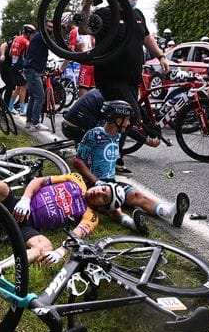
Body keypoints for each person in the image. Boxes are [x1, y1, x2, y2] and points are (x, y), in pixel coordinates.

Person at [81, 0, 169, 175]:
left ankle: (110, 156)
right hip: (110, 77)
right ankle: (108, 157)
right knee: (128, 115)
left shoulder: (137, 15)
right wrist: (87, 3)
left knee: (119, 118)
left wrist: (161, 56)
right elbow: (84, 28)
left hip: (131, 78)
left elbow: (146, 38)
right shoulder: (105, 14)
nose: (133, 0)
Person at [0, 173, 123, 267]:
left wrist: (60, 252)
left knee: (45, 246)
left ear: (103, 207)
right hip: (18, 205)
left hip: (28, 226)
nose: (98, 192)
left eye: (103, 198)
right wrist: (26, 199)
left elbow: (76, 236)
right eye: (103, 189)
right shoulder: (75, 179)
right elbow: (39, 181)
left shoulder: (91, 216)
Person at [72, 100, 187, 234]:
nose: (128, 123)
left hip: (111, 182)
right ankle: (130, 222)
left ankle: (169, 213)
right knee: (113, 203)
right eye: (126, 120)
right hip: (93, 183)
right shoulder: (94, 134)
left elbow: (133, 132)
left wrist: (149, 140)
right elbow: (77, 161)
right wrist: (95, 181)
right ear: (117, 119)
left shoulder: (118, 134)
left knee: (136, 195)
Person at [62, 88, 160, 148]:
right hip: (77, 130)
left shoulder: (105, 90)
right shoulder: (111, 101)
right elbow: (122, 125)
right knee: (113, 129)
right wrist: (148, 141)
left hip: (69, 126)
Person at [23, 19, 53, 132]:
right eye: (49, 27)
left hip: (32, 70)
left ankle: (29, 122)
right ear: (43, 27)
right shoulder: (42, 37)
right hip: (33, 71)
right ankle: (35, 123)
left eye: (52, 28)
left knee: (33, 97)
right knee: (40, 97)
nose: (50, 30)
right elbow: (54, 46)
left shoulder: (39, 37)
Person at [8, 24, 36, 115]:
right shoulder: (25, 41)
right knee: (23, 88)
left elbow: (10, 53)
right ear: (28, 33)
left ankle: (11, 106)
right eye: (31, 34)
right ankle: (22, 110)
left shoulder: (16, 39)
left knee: (18, 88)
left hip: (14, 65)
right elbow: (30, 54)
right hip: (20, 66)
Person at [0, 38, 16, 107]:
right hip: (5, 66)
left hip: (13, 67)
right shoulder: (16, 40)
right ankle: (5, 105)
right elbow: (4, 45)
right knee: (10, 84)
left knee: (16, 84)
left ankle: (1, 91)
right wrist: (2, 55)